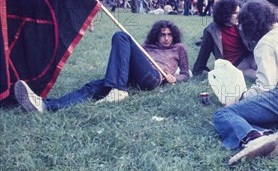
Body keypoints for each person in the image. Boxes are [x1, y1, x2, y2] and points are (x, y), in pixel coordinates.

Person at [213, 0, 278, 165]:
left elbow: (265, 87)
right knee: (246, 116)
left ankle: (253, 139)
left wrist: (240, 99)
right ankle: (266, 136)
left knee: (224, 114)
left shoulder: (265, 43)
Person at [14, 21, 190, 112]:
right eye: (162, 35)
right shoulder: (146, 47)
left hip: (152, 77)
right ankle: (45, 106)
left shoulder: (179, 48)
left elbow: (185, 73)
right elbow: (126, 60)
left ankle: (118, 90)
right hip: (129, 78)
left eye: (169, 35)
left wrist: (176, 78)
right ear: (156, 36)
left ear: (174, 36)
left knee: (121, 36)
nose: (166, 38)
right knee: (91, 87)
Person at [192, 0, 256, 77]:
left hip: (249, 57)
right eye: (236, 13)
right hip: (235, 65)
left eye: (239, 12)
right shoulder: (211, 31)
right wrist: (197, 71)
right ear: (226, 14)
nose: (239, 16)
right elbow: (203, 54)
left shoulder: (240, 24)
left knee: (268, 68)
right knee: (258, 76)